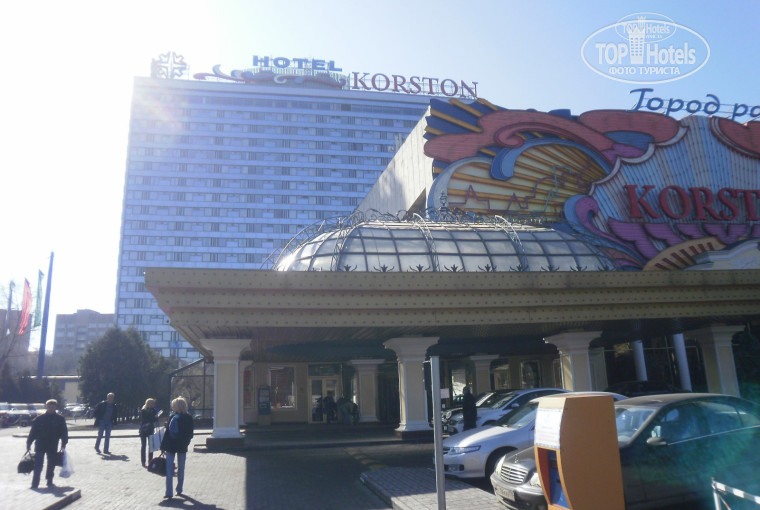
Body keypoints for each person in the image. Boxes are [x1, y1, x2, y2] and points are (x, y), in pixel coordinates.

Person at [26, 399, 68, 489]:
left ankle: (49, 481)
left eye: (52, 407)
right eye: (49, 406)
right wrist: (29, 443)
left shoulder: (60, 419)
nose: (51, 408)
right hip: (40, 444)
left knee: (51, 464)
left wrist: (64, 443)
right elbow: (33, 432)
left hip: (52, 444)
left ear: (55, 407)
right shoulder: (39, 419)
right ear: (46, 407)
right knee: (38, 464)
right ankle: (35, 483)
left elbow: (64, 432)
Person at [161, 397, 194, 500]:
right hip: (170, 445)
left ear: (179, 406)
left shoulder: (188, 418)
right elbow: (167, 433)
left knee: (181, 468)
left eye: (174, 405)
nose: (172, 407)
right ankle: (169, 492)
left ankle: (179, 489)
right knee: (169, 469)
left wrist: (186, 443)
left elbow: (190, 433)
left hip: (181, 446)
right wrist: (163, 446)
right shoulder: (172, 416)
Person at [139, 398, 160, 467]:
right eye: (153, 403)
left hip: (143, 429)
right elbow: (152, 420)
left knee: (143, 446)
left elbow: (143, 420)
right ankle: (150, 461)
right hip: (150, 429)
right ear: (151, 403)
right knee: (150, 446)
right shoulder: (153, 410)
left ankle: (143, 461)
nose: (154, 405)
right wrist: (156, 417)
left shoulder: (143, 410)